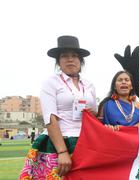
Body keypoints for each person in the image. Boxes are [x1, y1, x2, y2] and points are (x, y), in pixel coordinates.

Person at [20, 35, 97, 179]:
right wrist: (62, 152)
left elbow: (95, 115)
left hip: (86, 142)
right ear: (58, 61)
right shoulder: (51, 82)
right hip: (59, 142)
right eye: (64, 56)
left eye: (74, 56)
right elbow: (50, 118)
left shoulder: (89, 85)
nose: (70, 59)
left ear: (80, 60)